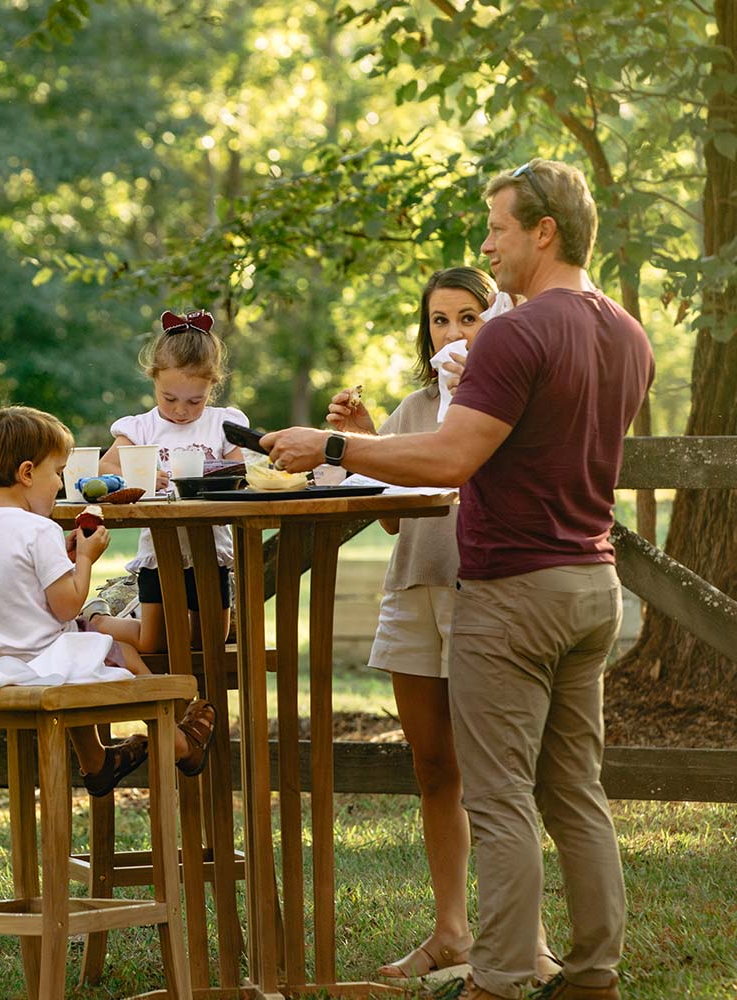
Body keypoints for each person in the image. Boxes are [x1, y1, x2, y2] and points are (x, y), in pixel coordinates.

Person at [262, 159, 655, 1000]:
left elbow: (451, 456)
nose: (487, 243)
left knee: (501, 795)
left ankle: (501, 979)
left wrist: (334, 447)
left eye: (499, 227)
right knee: (574, 792)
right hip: (593, 584)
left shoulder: (516, 332)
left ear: (544, 232)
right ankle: (591, 977)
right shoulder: (628, 332)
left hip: (513, 591)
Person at [327, 267, 559, 986]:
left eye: (468, 317)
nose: (452, 333)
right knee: (434, 770)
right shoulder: (416, 405)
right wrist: (367, 440)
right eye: (439, 320)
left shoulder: (507, 397)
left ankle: (529, 939)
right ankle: (452, 932)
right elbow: (393, 516)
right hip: (414, 589)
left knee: (500, 775)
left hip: (485, 594)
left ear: (498, 321)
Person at [0, 404, 218, 797]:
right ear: (27, 473)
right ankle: (181, 743)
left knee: (78, 642)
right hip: (37, 663)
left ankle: (97, 761)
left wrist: (61, 558)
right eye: (56, 473)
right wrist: (84, 559)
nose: (60, 485)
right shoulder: (37, 528)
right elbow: (67, 605)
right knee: (118, 650)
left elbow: (19, 582)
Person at [89, 309, 248, 652]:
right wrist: (139, 475)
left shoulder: (223, 424)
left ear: (212, 387)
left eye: (195, 400)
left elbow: (241, 473)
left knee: (211, 638)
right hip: (160, 552)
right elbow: (105, 468)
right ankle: (95, 620)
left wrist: (213, 477)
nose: (180, 410)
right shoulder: (142, 428)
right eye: (169, 398)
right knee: (154, 642)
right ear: (154, 381)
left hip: (211, 551)